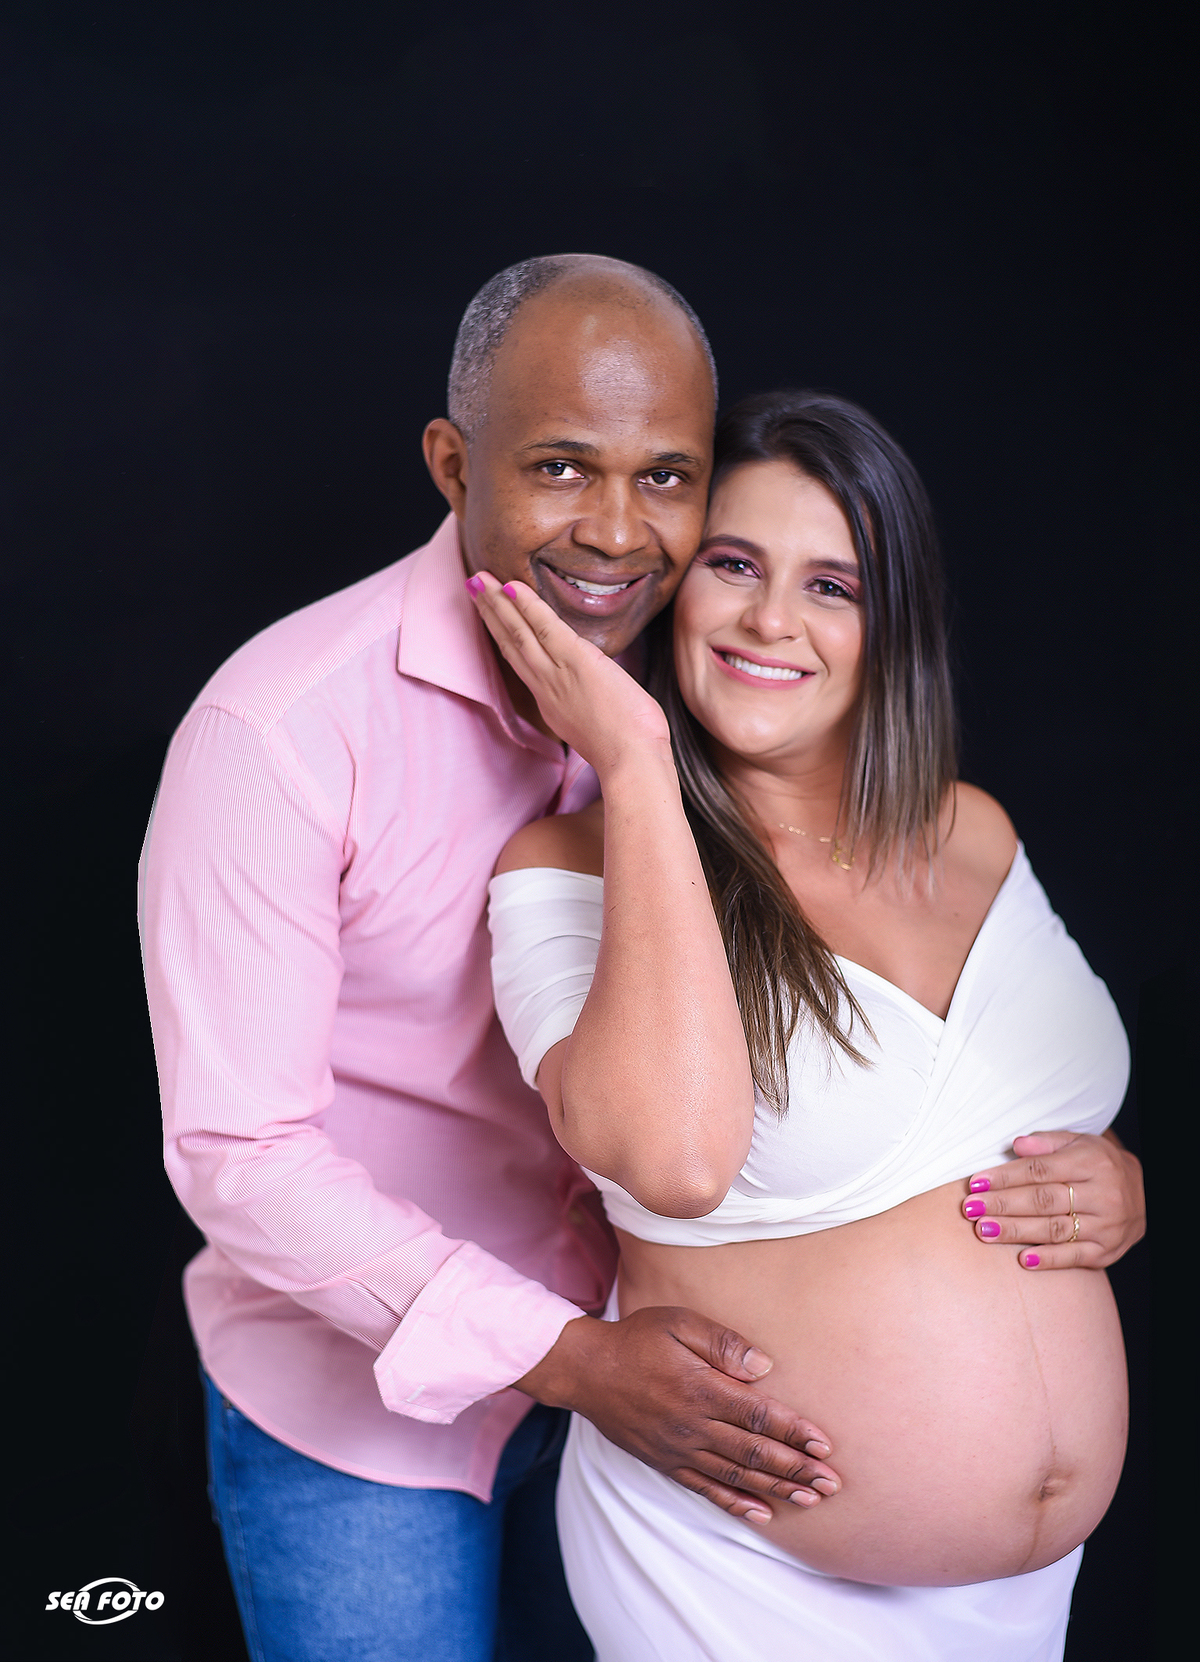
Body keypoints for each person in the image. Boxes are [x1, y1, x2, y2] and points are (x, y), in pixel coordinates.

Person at [140, 253, 1143, 1662]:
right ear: (452, 464)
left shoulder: (711, 689)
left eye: (666, 480)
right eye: (561, 466)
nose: (617, 531)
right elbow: (239, 1152)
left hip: (658, 1372)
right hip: (370, 1390)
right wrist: (569, 1358)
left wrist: (1095, 1169)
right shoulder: (282, 732)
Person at [478, 388, 1143, 1660]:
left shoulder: (971, 829)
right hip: (741, 1572)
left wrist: (1118, 1180)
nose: (771, 619)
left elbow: (997, 1112)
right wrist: (636, 763)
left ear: (892, 628)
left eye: (831, 586)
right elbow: (670, 1159)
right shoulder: (567, 868)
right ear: (675, 587)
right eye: (733, 565)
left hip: (1023, 1605)